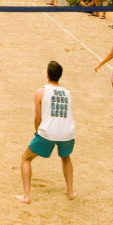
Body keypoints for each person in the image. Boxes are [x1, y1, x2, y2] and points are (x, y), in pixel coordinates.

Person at [14, 61, 76, 204]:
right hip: (67, 133)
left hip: (48, 132)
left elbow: (38, 118)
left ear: (47, 74)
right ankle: (71, 192)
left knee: (26, 158)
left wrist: (37, 132)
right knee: (66, 157)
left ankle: (26, 195)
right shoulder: (68, 93)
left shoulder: (41, 92)